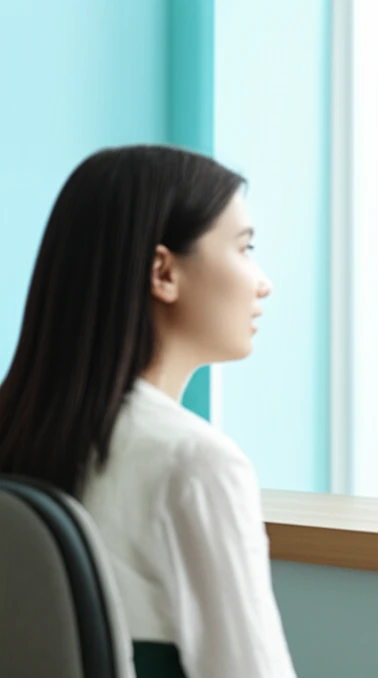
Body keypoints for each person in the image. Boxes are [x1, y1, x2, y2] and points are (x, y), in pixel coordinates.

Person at [0, 146, 297, 677]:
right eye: (245, 248)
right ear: (163, 271)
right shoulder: (195, 464)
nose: (262, 281)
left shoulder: (16, 430)